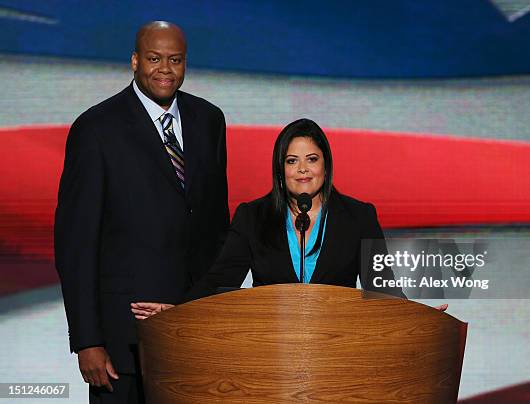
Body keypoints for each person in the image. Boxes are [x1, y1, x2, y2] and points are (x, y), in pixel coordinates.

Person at [54, 21, 229, 403]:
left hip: (191, 335)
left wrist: (214, 316)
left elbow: (216, 230)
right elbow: (76, 243)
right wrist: (87, 341)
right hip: (122, 343)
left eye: (175, 60)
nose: (164, 69)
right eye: (154, 58)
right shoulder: (96, 128)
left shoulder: (209, 121)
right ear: (135, 61)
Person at [132, 118, 425, 321]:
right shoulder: (252, 217)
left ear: (326, 165)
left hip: (339, 349)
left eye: (312, 159)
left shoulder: (359, 217)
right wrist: (177, 310)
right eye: (292, 161)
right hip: (271, 350)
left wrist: (421, 320)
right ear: (280, 168)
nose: (302, 170)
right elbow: (220, 280)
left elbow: (383, 288)